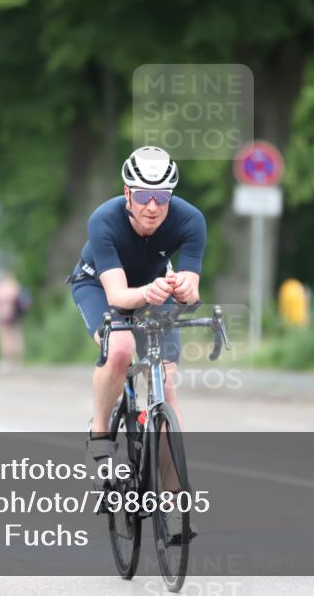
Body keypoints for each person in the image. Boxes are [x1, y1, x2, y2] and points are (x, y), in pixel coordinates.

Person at [65, 146, 206, 478]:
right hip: (100, 286)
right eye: (144, 195)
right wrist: (148, 293)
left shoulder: (190, 220)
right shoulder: (104, 219)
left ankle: (173, 501)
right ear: (128, 192)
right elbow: (117, 295)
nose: (153, 206)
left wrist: (186, 289)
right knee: (121, 348)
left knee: (167, 382)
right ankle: (100, 433)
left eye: (162, 195)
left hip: (155, 290)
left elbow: (192, 287)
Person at [0, 271, 29, 372]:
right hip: (16, 316)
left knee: (5, 338)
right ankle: (17, 362)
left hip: (4, 316)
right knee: (17, 337)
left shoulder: (2, 287)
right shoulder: (16, 286)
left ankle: (7, 361)